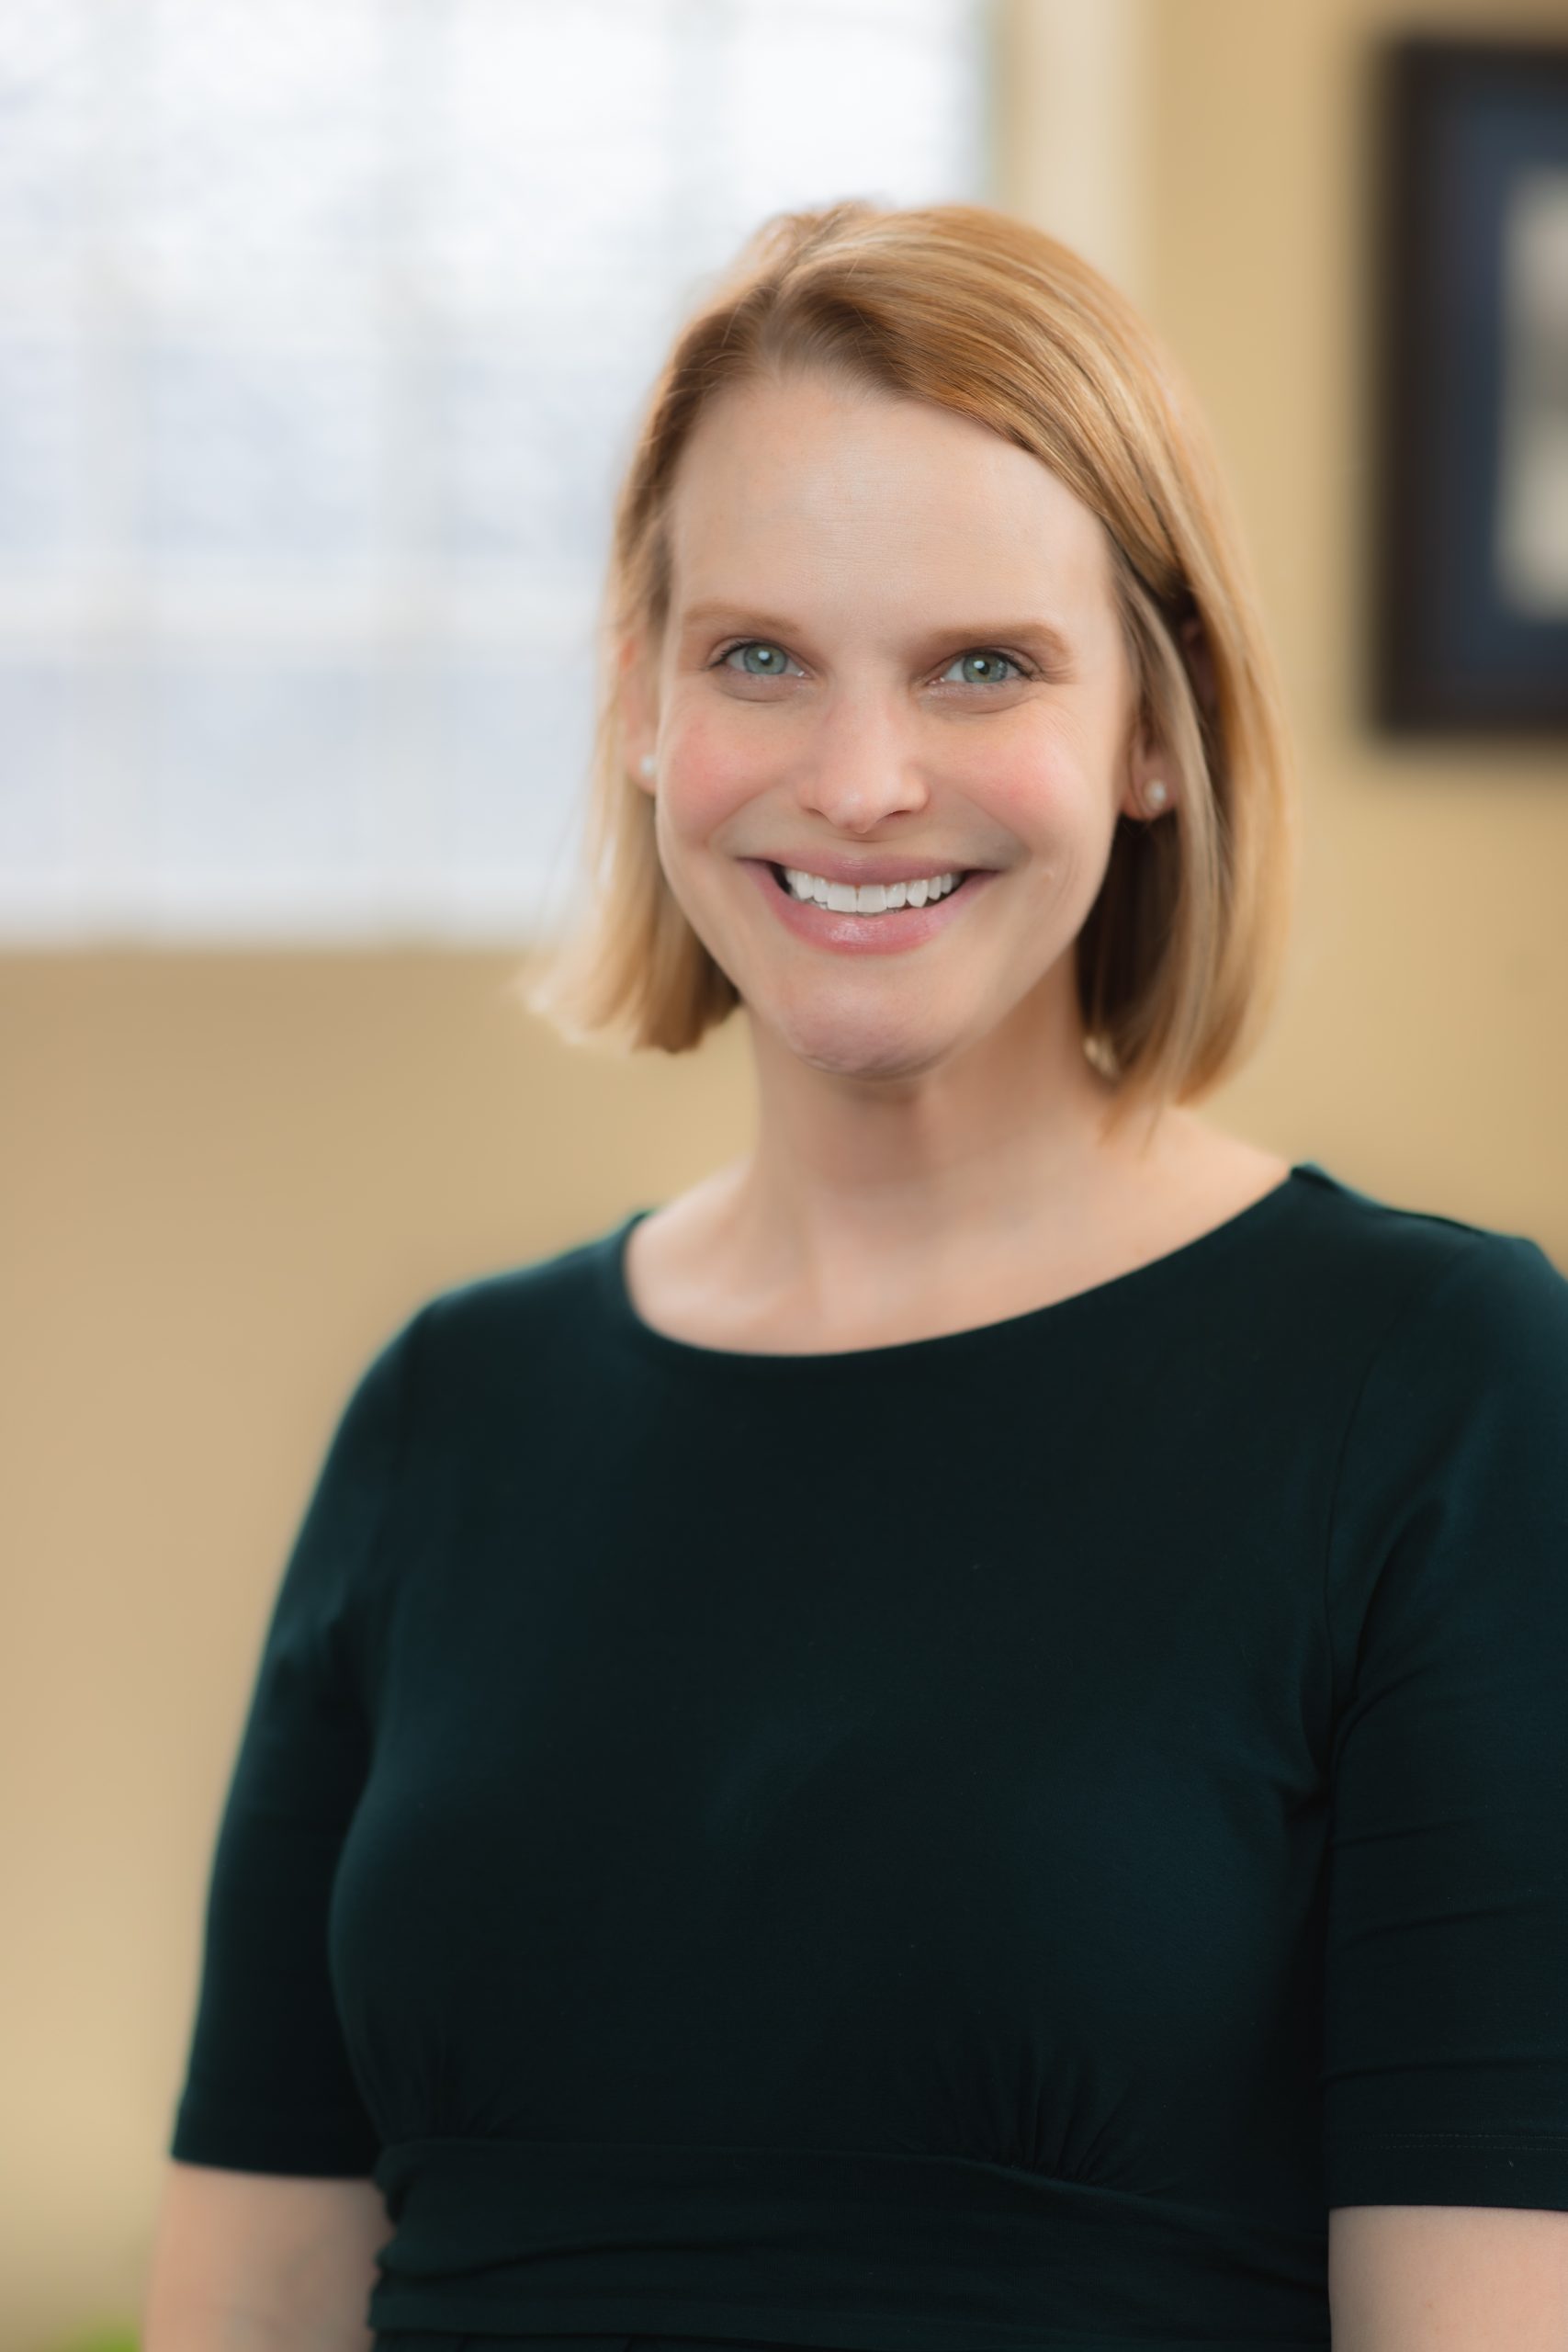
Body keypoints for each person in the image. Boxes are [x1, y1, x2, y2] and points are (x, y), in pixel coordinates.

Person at [145, 201, 1568, 2351]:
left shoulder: (1435, 1389)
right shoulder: (450, 1410)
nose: (859, 777)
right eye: (756, 657)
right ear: (639, 706)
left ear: (1153, 733)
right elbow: (248, 2295)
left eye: (980, 663)